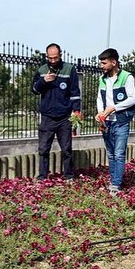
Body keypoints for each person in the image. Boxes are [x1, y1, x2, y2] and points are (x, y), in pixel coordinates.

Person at [32, 43, 82, 180]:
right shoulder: (41, 70)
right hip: (47, 117)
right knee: (43, 149)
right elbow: (34, 90)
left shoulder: (69, 69)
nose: (53, 61)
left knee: (66, 149)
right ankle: (42, 177)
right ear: (46, 56)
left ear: (60, 55)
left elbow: (75, 93)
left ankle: (69, 176)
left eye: (56, 57)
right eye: (50, 58)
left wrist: (76, 110)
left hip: (64, 117)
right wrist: (43, 81)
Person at [95, 48, 135, 194]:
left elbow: (132, 99)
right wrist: (101, 113)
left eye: (104, 63)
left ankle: (116, 184)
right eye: (101, 63)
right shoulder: (103, 79)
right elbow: (100, 98)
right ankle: (113, 181)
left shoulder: (127, 77)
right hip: (107, 122)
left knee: (119, 154)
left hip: (120, 121)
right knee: (111, 154)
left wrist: (114, 108)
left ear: (114, 62)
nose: (101, 66)